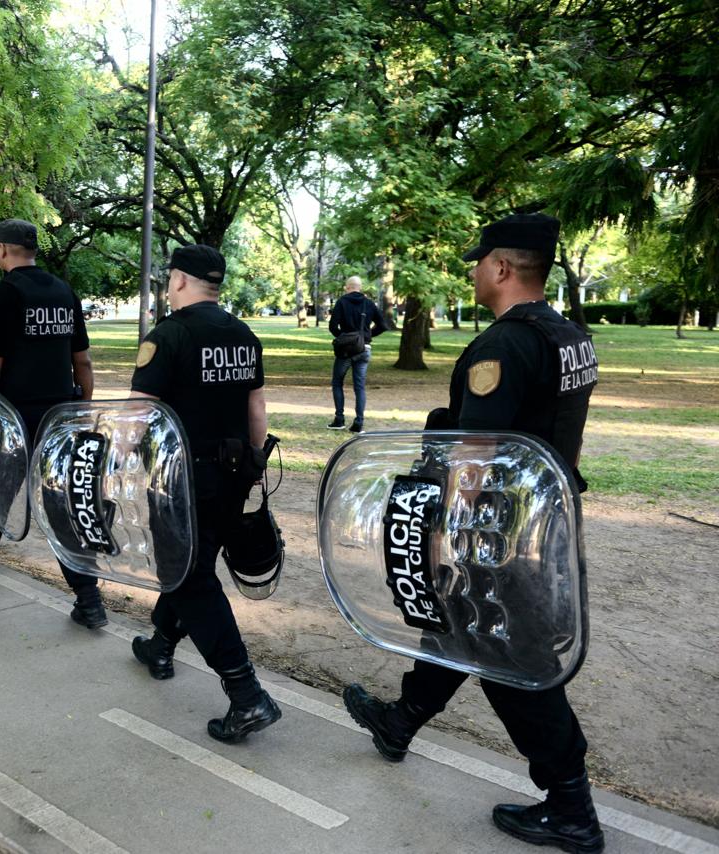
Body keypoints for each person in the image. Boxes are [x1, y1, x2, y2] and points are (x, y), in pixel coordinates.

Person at [342, 213, 603, 853]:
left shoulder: (502, 346)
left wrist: (446, 541)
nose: (473, 269)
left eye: (479, 260)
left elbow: (475, 453)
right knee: (458, 626)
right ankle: (400, 722)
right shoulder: (570, 336)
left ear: (503, 268)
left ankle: (571, 805)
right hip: (539, 521)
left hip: (496, 531)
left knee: (511, 662)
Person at [126, 244, 283, 744]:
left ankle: (246, 693)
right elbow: (256, 408)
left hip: (180, 478)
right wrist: (256, 468)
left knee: (188, 575)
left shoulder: (168, 335)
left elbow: (137, 416)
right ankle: (161, 644)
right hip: (234, 472)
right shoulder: (243, 334)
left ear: (176, 281)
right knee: (194, 563)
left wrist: (119, 468)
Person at [0, 219, 104, 628]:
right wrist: (80, 410)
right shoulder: (64, 292)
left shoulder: (4, 294)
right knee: (63, 505)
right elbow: (83, 362)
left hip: (14, 417)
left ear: (3, 250)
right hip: (59, 417)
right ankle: (89, 600)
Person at [327, 275, 386, 433]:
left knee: (337, 383)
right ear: (360, 287)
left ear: (347, 287)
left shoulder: (342, 302)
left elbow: (332, 326)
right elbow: (382, 325)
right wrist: (367, 336)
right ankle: (359, 422)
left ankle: (339, 419)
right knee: (359, 387)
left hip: (346, 351)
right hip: (364, 349)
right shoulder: (369, 304)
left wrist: (342, 338)